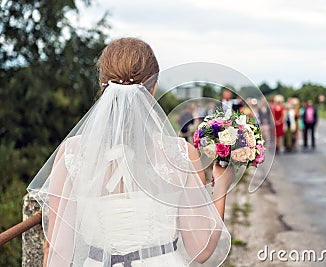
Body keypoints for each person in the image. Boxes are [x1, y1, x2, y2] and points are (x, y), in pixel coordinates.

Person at [27, 37, 233, 267]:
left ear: (102, 87)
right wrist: (221, 186)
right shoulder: (180, 154)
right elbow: (200, 250)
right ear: (153, 88)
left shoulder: (72, 153)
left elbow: (58, 252)